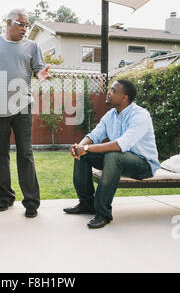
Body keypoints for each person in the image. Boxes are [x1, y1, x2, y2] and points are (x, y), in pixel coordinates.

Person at [0, 8, 51, 218]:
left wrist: (41, 74)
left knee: (25, 153)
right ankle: (6, 198)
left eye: (27, 25)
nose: (25, 29)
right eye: (21, 24)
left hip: (22, 105)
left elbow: (38, 69)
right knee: (0, 153)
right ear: (8, 23)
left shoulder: (32, 46)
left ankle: (32, 202)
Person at [64, 79, 161, 228]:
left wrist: (87, 149)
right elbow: (94, 135)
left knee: (113, 155)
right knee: (83, 155)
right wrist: (80, 147)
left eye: (114, 90)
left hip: (143, 165)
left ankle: (103, 213)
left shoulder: (140, 115)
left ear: (125, 97)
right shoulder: (111, 115)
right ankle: (86, 204)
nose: (109, 92)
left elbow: (120, 145)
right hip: (118, 159)